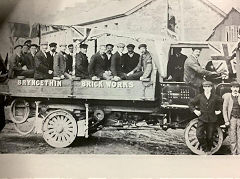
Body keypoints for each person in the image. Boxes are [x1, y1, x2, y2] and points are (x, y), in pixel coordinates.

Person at [189, 81, 222, 153]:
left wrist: (219, 111)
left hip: (212, 119)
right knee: (198, 134)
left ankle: (208, 150)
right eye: (205, 87)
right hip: (202, 119)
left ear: (211, 88)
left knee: (210, 137)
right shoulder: (200, 96)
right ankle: (205, 147)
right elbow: (191, 103)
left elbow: (222, 103)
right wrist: (195, 111)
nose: (207, 88)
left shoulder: (215, 97)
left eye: (209, 87)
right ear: (203, 88)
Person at [222, 81, 240, 155]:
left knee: (239, 136)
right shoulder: (228, 97)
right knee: (232, 136)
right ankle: (233, 153)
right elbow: (224, 109)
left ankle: (239, 153)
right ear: (231, 88)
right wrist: (226, 120)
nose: (235, 89)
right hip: (232, 119)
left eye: (237, 87)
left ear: (238, 89)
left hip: (239, 119)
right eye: (234, 87)